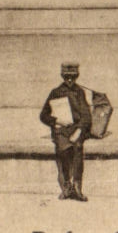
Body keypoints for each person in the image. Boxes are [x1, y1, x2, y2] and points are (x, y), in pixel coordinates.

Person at [40, 62, 93, 201]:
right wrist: (56, 121)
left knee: (78, 148)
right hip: (61, 129)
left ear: (76, 77)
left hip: (76, 128)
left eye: (73, 77)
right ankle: (66, 187)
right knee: (63, 150)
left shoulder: (79, 92)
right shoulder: (56, 92)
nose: (70, 80)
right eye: (67, 77)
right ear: (63, 76)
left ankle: (77, 187)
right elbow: (43, 115)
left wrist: (79, 130)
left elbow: (86, 116)